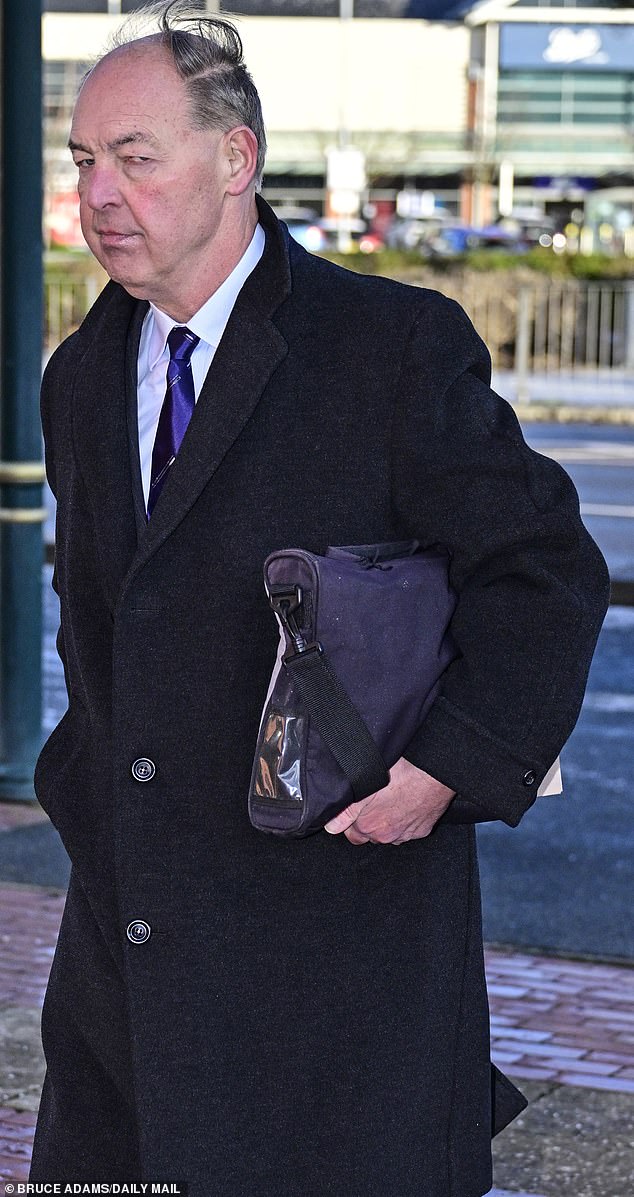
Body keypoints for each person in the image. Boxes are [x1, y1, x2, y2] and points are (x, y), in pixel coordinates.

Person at [30, 4, 609, 1194]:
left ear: (234, 159)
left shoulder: (388, 347)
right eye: (86, 160)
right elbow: (99, 625)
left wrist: (451, 767)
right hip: (128, 957)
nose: (97, 193)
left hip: (335, 952)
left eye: (134, 157)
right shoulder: (83, 374)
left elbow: (543, 567)